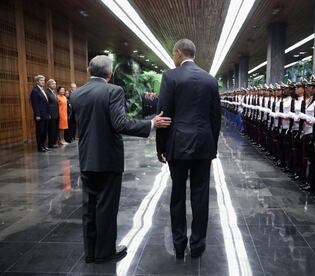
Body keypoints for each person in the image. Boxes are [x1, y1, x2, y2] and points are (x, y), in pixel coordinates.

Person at [71, 55, 171, 264]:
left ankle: (90, 251)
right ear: (109, 75)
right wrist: (150, 124)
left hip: (87, 157)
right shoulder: (113, 91)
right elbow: (120, 123)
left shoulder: (77, 94)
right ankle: (105, 252)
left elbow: (78, 127)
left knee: (89, 207)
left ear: (89, 72)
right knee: (106, 207)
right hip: (108, 158)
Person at [156, 39, 221, 259]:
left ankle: (179, 245)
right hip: (204, 144)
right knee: (200, 194)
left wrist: (161, 147)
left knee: (177, 194)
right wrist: (212, 146)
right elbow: (215, 117)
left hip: (178, 143)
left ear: (178, 53)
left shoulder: (170, 76)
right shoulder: (210, 80)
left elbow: (164, 114)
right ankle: (198, 246)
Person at [30, 75, 50, 152]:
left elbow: (46, 103)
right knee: (40, 131)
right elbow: (35, 104)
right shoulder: (35, 91)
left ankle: (44, 145)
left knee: (44, 131)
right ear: (37, 81)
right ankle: (40, 147)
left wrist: (48, 113)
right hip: (40, 115)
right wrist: (37, 114)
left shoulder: (43, 90)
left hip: (46, 114)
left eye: (44, 80)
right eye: (41, 80)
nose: (43, 82)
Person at [45, 79, 59, 148]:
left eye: (55, 84)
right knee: (51, 129)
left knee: (55, 129)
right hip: (51, 114)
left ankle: (54, 142)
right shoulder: (47, 92)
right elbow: (46, 104)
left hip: (56, 113)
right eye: (53, 84)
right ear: (49, 85)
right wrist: (48, 113)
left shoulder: (54, 92)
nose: (55, 85)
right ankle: (51, 143)